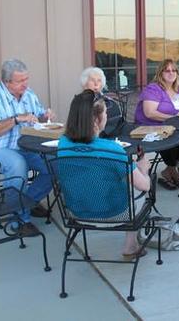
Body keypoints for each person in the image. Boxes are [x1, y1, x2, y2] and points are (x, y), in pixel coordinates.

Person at [59, 90, 152, 259]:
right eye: (106, 113)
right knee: (141, 186)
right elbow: (144, 185)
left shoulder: (62, 144)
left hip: (76, 213)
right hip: (116, 214)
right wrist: (143, 168)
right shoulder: (112, 149)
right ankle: (130, 247)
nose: (107, 117)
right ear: (96, 120)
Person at [0, 59, 55, 236]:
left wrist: (44, 116)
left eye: (26, 79)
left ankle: (27, 202)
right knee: (17, 164)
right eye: (20, 81)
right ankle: (19, 220)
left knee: (54, 163)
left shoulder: (28, 94)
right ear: (6, 81)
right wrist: (17, 119)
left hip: (24, 147)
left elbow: (37, 117)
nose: (25, 84)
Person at [134, 59, 179, 189]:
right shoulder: (153, 89)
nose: (171, 73)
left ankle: (172, 169)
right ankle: (172, 171)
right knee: (173, 137)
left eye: (174, 70)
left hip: (174, 126)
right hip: (150, 126)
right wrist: (173, 117)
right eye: (167, 70)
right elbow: (149, 113)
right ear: (160, 73)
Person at [80, 66, 125, 138]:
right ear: (85, 83)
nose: (96, 84)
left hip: (105, 139)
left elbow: (113, 129)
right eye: (92, 80)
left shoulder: (110, 104)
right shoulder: (79, 102)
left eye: (99, 80)